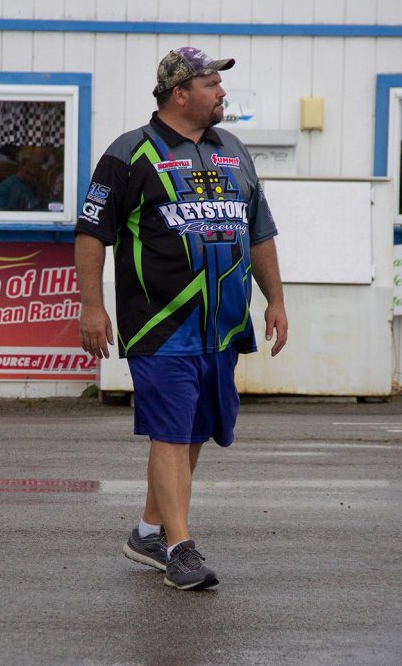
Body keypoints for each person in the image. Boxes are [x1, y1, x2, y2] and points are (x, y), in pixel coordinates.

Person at [74, 47, 289, 591]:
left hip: (222, 324)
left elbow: (259, 232)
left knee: (194, 431)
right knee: (171, 432)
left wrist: (277, 301)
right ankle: (180, 548)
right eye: (212, 84)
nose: (221, 92)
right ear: (180, 93)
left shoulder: (234, 151)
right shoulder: (128, 154)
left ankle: (148, 530)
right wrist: (92, 307)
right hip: (160, 323)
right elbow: (91, 234)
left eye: (220, 83)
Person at [0, 146, 50, 210]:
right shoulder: (7, 187)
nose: (36, 171)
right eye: (34, 166)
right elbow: (1, 214)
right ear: (22, 163)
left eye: (40, 166)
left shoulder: (39, 186)